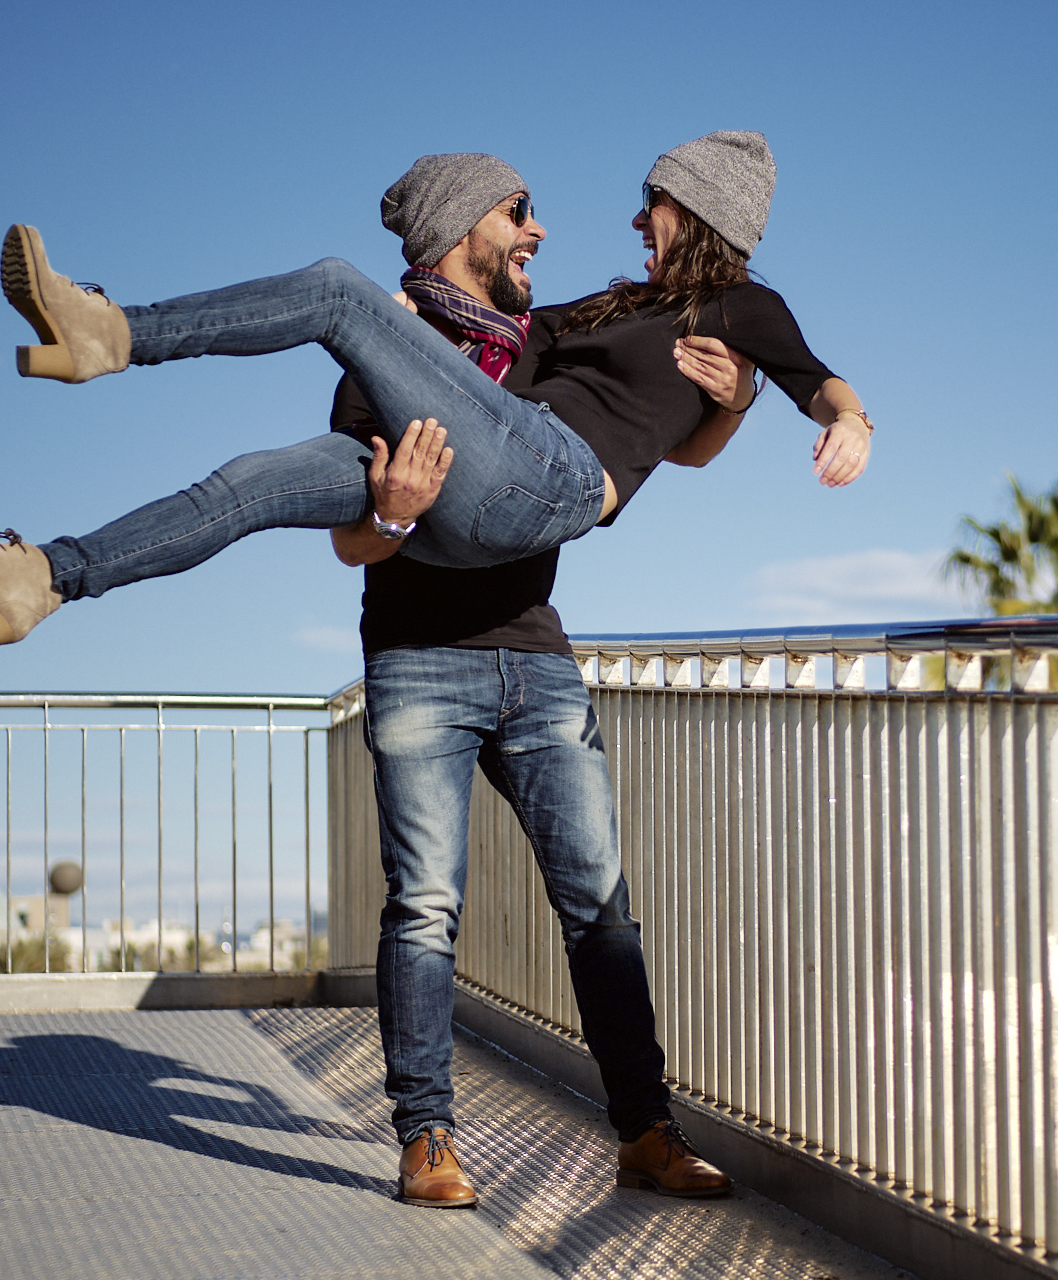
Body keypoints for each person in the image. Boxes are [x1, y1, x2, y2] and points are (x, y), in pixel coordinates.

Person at [0, 132, 874, 655]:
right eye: (515, 214)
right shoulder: (597, 309)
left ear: (697, 211)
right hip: (467, 487)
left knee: (335, 287)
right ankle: (41, 578)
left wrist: (847, 421)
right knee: (244, 483)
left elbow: (814, 379)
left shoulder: (738, 306)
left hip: (549, 481)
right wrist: (415, 345)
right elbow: (528, 348)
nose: (634, 217)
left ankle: (114, 332)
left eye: (654, 203)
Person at [324, 156, 750, 1207]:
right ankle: (426, 1136)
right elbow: (347, 543)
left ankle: (646, 1131)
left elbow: (669, 438)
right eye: (520, 214)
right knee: (424, 906)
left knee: (601, 909)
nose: (540, 233)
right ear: (460, 225)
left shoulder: (536, 342)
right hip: (420, 663)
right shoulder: (376, 368)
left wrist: (732, 406)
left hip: (541, 660)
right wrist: (392, 511)